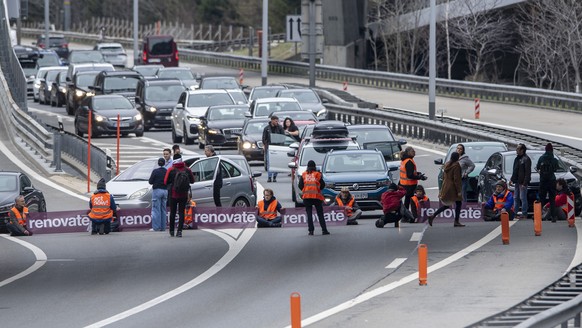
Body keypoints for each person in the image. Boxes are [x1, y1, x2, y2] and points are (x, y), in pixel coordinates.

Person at [428, 152, 465, 227]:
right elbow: (456, 179)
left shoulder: (447, 164)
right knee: (458, 203)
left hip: (446, 186)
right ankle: (456, 221)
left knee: (447, 204)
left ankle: (433, 215)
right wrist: (458, 191)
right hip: (453, 187)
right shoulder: (456, 166)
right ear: (457, 158)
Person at [164, 154, 195, 237]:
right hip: (184, 194)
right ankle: (180, 231)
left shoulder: (171, 169)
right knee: (181, 212)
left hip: (173, 194)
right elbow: (192, 180)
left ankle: (171, 231)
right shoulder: (187, 169)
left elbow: (165, 181)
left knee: (173, 212)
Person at [299, 160, 329, 235]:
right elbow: (322, 185)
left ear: (307, 167)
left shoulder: (304, 175)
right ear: (315, 166)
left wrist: (305, 190)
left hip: (307, 197)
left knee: (309, 214)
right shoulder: (317, 174)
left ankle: (311, 231)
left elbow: (300, 185)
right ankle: (324, 230)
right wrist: (317, 189)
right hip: (317, 197)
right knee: (320, 214)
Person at [399, 146, 427, 220]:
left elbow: (410, 172)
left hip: (404, 184)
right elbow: (410, 175)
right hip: (409, 185)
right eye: (412, 151)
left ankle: (407, 216)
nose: (414, 152)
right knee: (410, 200)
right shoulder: (409, 161)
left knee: (407, 200)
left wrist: (418, 174)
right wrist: (419, 177)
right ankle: (407, 216)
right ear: (408, 152)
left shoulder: (404, 160)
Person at [537, 143, 559, 222]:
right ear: (552, 150)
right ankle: (553, 217)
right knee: (552, 199)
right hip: (552, 180)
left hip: (543, 180)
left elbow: (537, 167)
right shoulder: (554, 160)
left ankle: (538, 215)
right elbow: (556, 169)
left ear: (545, 150)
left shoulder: (541, 158)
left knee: (541, 198)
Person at [510, 143, 531, 219]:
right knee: (516, 197)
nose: (516, 150)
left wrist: (525, 183)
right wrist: (512, 179)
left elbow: (527, 172)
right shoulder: (517, 158)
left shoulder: (526, 159)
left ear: (522, 150)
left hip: (522, 182)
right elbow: (515, 170)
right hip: (517, 181)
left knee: (523, 197)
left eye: (518, 149)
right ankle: (515, 213)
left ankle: (524, 213)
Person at [262, 115, 285, 182]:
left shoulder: (280, 128)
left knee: (276, 162)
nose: (276, 122)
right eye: (275, 121)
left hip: (277, 147)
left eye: (277, 121)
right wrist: (266, 144)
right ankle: (269, 177)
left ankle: (274, 176)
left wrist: (281, 145)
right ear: (272, 120)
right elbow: (264, 138)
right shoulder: (267, 128)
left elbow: (283, 137)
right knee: (269, 162)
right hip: (269, 147)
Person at [148, 158, 167, 232]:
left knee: (156, 209)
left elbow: (150, 181)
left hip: (157, 190)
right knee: (163, 209)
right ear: (164, 163)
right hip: (165, 190)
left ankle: (156, 227)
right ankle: (163, 227)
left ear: (158, 163)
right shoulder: (166, 171)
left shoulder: (155, 171)